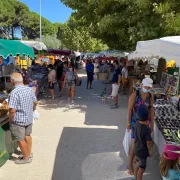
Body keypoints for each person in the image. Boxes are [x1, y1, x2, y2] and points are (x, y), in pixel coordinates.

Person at [8, 72, 37, 164]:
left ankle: (26, 158)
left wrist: (10, 119)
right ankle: (29, 153)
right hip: (28, 118)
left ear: (12, 81)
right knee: (27, 136)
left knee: (20, 139)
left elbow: (12, 110)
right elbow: (35, 102)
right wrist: (32, 110)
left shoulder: (14, 93)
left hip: (18, 120)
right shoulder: (29, 89)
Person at [127, 77, 154, 175]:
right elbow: (130, 110)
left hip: (146, 123)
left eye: (149, 87)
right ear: (141, 85)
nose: (148, 89)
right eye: (146, 87)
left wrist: (152, 124)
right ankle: (130, 165)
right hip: (136, 124)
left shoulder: (150, 96)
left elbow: (151, 110)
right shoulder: (134, 95)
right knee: (134, 145)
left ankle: (136, 161)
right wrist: (128, 124)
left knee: (142, 145)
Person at [134, 104, 152, 180]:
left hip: (136, 149)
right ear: (147, 116)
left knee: (137, 163)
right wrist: (150, 150)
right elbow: (148, 142)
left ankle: (135, 177)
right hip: (143, 151)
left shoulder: (136, 124)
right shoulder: (146, 129)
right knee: (141, 168)